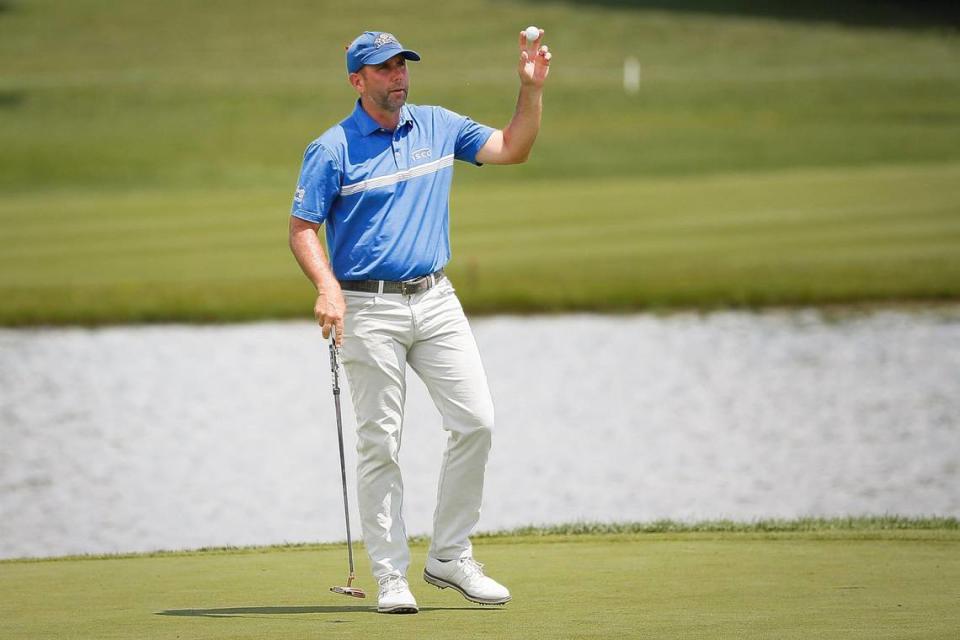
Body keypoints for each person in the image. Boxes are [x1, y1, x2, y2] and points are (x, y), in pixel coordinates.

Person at [288, 29, 551, 614]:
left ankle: (450, 556)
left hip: (435, 298)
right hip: (367, 306)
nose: (398, 76)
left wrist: (529, 91)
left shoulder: (437, 125)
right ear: (358, 80)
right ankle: (390, 575)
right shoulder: (332, 149)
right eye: (383, 69)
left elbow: (512, 147)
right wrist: (327, 287)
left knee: (477, 420)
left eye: (402, 65)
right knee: (380, 441)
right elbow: (302, 226)